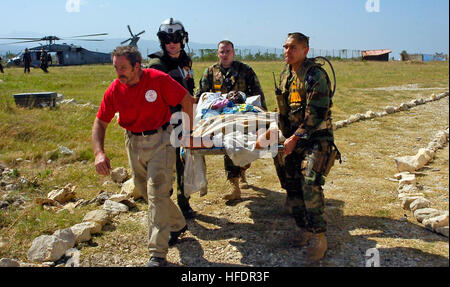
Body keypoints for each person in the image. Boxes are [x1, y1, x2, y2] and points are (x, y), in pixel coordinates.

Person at [92, 45, 195, 267]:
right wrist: (99, 152)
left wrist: (188, 133)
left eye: (122, 67)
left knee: (157, 194)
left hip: (161, 141)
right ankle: (177, 223)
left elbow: (187, 100)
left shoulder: (158, 79)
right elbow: (100, 121)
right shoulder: (114, 89)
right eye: (115, 67)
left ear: (137, 66)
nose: (118, 72)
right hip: (133, 143)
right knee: (143, 190)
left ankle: (157, 254)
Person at [265, 32, 337, 263]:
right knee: (292, 184)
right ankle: (302, 227)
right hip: (293, 139)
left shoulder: (315, 75)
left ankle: (319, 236)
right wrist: (276, 131)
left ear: (306, 50)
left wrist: (294, 138)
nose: (288, 51)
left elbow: (316, 113)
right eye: (285, 47)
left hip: (316, 138)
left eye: (293, 47)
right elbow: (284, 112)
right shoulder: (287, 75)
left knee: (309, 183)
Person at [195, 40, 267, 201]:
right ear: (218, 53)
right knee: (229, 145)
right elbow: (201, 95)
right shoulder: (210, 72)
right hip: (219, 118)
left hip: (242, 115)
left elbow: (257, 93)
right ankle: (234, 185)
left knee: (244, 146)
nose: (225, 54)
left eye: (228, 51)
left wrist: (262, 115)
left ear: (233, 53)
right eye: (222, 51)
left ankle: (243, 168)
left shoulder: (245, 70)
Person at [148, 18, 196, 219]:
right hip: (165, 125)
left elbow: (188, 87)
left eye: (176, 38)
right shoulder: (157, 65)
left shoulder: (185, 60)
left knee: (184, 162)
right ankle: (166, 209)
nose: (172, 43)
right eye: (167, 39)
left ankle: (184, 204)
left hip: (183, 120)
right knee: (165, 168)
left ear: (183, 39)